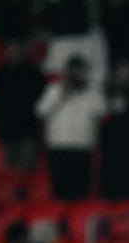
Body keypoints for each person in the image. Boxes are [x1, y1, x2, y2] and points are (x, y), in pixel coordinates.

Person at [35, 55, 105, 200]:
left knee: (80, 190)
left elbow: (102, 110)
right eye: (73, 71)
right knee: (60, 190)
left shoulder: (92, 93)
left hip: (82, 147)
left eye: (80, 71)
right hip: (58, 146)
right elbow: (40, 110)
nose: (76, 75)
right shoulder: (54, 89)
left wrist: (85, 91)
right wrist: (62, 94)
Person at [0, 39, 45, 171]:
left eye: (15, 50)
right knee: (9, 173)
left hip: (28, 130)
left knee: (26, 172)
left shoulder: (33, 72)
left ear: (22, 51)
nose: (12, 53)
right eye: (9, 51)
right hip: (7, 130)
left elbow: (40, 100)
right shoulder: (1, 73)